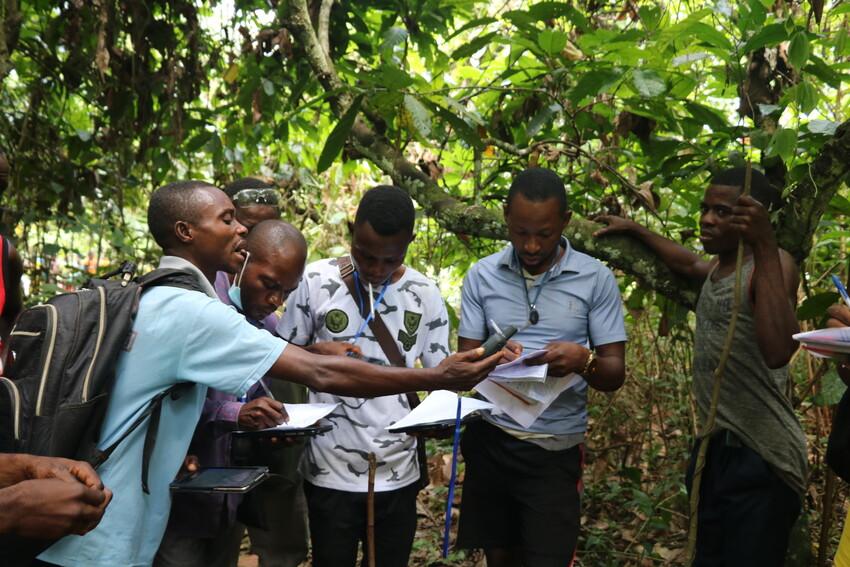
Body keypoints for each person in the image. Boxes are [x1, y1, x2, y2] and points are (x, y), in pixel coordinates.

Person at [36, 180, 500, 567]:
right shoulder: (192, 311)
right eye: (226, 219)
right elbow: (320, 372)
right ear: (185, 231)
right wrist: (437, 378)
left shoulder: (153, 294)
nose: (240, 229)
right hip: (105, 528)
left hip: (109, 515)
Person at [595, 166, 805, 566]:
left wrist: (764, 243)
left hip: (763, 456)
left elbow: (780, 350)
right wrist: (636, 230)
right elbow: (689, 264)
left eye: (723, 212)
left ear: (753, 216)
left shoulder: (773, 262)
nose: (707, 219)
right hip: (715, 449)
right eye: (705, 209)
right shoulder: (719, 267)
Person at [456, 167, 627, 566]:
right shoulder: (482, 276)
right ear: (506, 219)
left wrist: (582, 361)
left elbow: (614, 373)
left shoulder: (595, 279)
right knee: (499, 555)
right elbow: (465, 364)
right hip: (492, 441)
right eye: (520, 233)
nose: (531, 245)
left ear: (565, 222)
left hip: (555, 449)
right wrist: (493, 355)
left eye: (544, 234)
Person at [277, 185, 451, 567]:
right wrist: (318, 352)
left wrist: (439, 421)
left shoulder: (425, 293)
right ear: (352, 231)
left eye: (389, 259)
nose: (374, 269)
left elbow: (439, 376)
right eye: (364, 255)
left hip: (397, 469)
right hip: (328, 469)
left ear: (410, 242)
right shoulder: (315, 281)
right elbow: (279, 356)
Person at [154, 220, 326, 567]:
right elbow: (164, 398)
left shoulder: (268, 323)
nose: (275, 300)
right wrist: (235, 414)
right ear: (241, 262)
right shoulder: (201, 308)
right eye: (269, 285)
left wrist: (272, 426)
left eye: (286, 293)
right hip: (178, 492)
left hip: (226, 494)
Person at [219, 178, 311, 567]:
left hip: (263, 440)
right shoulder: (207, 290)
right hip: (213, 453)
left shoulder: (267, 301)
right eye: (247, 227)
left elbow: (275, 355)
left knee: (279, 509)